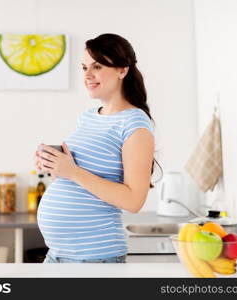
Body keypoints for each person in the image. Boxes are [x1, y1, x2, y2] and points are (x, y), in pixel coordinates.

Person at [34, 33, 158, 263]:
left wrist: (72, 172)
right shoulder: (88, 117)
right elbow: (81, 180)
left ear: (123, 70)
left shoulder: (135, 124)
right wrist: (56, 168)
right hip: (58, 256)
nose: (87, 75)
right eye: (84, 67)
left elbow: (134, 201)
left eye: (97, 66)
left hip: (95, 259)